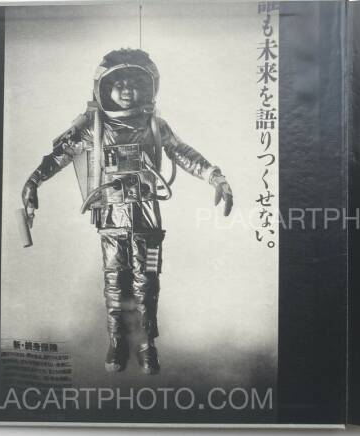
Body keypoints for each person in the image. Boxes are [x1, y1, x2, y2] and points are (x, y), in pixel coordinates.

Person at [21, 49, 233, 375]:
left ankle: (147, 343)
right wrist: (34, 180)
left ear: (146, 88)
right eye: (118, 83)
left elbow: (185, 153)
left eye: (133, 83)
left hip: (147, 218)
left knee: (147, 280)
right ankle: (117, 340)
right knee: (114, 280)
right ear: (105, 88)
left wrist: (216, 177)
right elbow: (61, 154)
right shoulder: (94, 126)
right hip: (111, 218)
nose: (126, 90)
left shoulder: (154, 126)